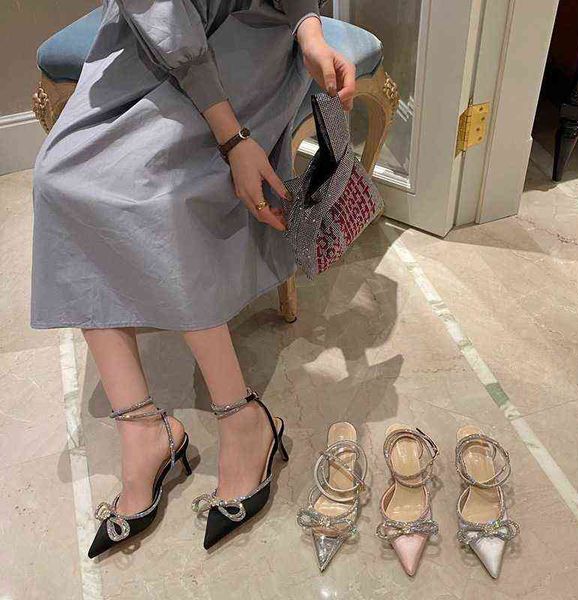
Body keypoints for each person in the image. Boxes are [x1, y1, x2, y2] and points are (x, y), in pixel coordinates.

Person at [31, 0, 356, 556]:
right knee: (60, 183)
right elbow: (165, 23)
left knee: (161, 196)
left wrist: (309, 32)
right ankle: (142, 428)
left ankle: (242, 418)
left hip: (247, 41)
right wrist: (232, 140)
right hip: (151, 44)